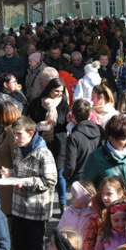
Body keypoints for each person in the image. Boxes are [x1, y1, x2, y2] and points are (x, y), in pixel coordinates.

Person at [0, 116, 57, 250]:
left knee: (35, 246)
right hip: (19, 207)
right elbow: (19, 170)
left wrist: (26, 182)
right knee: (20, 241)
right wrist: (10, 173)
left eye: (18, 134)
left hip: (36, 208)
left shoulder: (43, 154)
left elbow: (50, 181)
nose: (15, 138)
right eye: (14, 134)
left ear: (30, 134)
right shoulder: (18, 149)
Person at [29, 77, 70, 212]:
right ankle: (43, 203)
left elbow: (65, 123)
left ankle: (63, 204)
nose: (59, 94)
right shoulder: (37, 103)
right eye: (56, 91)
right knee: (41, 172)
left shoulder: (64, 104)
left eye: (61, 91)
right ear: (49, 89)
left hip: (59, 141)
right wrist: (38, 126)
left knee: (60, 174)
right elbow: (30, 119)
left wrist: (55, 125)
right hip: (41, 141)